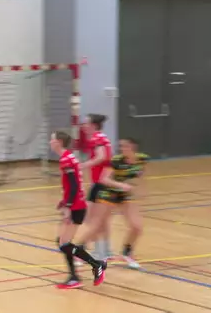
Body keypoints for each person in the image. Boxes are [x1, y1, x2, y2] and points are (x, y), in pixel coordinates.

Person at [95, 137, 148, 268]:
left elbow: (140, 174)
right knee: (99, 223)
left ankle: (126, 253)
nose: (122, 149)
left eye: (125, 146)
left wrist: (140, 188)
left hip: (124, 195)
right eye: (121, 146)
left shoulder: (142, 159)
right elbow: (104, 179)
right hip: (109, 193)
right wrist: (121, 185)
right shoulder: (116, 160)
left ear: (133, 148)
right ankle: (95, 252)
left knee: (137, 226)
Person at [50, 131, 87, 289]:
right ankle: (76, 272)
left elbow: (73, 186)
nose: (49, 143)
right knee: (63, 242)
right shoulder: (69, 157)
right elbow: (73, 185)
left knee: (64, 243)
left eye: (51, 140)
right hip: (77, 205)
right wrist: (65, 200)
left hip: (76, 207)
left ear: (58, 142)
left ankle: (76, 276)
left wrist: (68, 207)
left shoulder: (66, 159)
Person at [80, 114, 113, 259]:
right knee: (101, 219)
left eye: (86, 123)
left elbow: (101, 157)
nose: (84, 126)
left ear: (94, 125)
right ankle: (105, 250)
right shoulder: (101, 137)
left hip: (101, 184)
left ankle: (99, 252)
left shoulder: (97, 138)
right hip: (100, 184)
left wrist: (82, 165)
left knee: (92, 218)